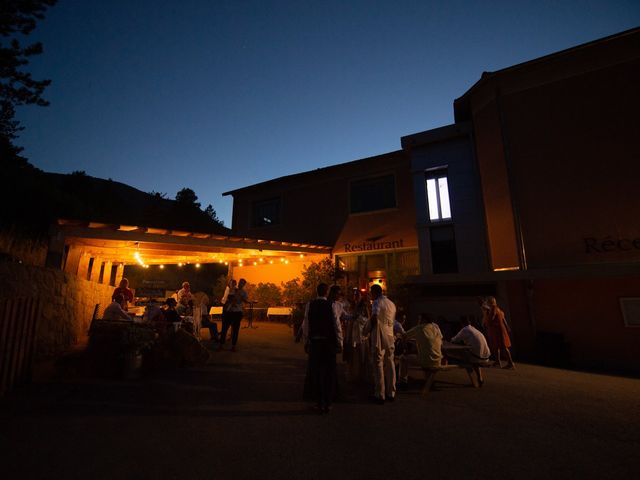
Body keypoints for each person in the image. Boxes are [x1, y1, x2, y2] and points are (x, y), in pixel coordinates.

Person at [302, 283, 343, 413]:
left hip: (315, 343)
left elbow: (306, 324)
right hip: (329, 344)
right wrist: (340, 342)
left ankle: (319, 403)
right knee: (329, 373)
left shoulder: (310, 304)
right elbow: (337, 325)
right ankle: (328, 403)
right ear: (326, 292)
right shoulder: (331, 305)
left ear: (316, 291)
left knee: (317, 373)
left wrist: (306, 341)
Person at [367, 284, 397, 404]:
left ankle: (380, 394)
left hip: (379, 335)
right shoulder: (392, 304)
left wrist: (368, 330)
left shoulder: (376, 302)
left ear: (374, 292)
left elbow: (374, 317)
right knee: (390, 362)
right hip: (390, 334)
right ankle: (392, 392)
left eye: (371, 293)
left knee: (378, 363)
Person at [397, 315, 443, 389]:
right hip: (438, 360)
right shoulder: (435, 328)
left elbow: (404, 336)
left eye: (419, 319)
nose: (418, 321)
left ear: (424, 320)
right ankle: (429, 381)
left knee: (403, 358)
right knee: (428, 353)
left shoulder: (420, 328)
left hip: (426, 360)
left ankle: (403, 382)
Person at [449, 318, 491, 385]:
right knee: (475, 358)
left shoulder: (465, 329)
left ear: (462, 324)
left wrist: (451, 340)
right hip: (486, 356)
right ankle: (480, 377)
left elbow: (455, 339)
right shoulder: (474, 329)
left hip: (477, 356)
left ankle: (473, 378)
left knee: (464, 357)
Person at [482, 296, 515, 369]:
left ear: (490, 302)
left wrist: (485, 314)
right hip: (500, 330)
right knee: (497, 347)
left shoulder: (493, 309)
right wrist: (507, 328)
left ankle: (510, 363)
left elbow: (490, 320)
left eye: (487, 301)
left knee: (502, 347)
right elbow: (504, 320)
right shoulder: (499, 309)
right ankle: (498, 362)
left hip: (497, 331)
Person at [218, 278, 248, 352]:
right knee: (224, 328)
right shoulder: (233, 289)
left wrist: (243, 298)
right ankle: (221, 345)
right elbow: (225, 298)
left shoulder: (244, 292)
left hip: (237, 312)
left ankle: (233, 346)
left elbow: (245, 300)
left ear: (244, 284)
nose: (240, 284)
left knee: (235, 330)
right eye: (240, 282)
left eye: (242, 283)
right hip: (228, 311)